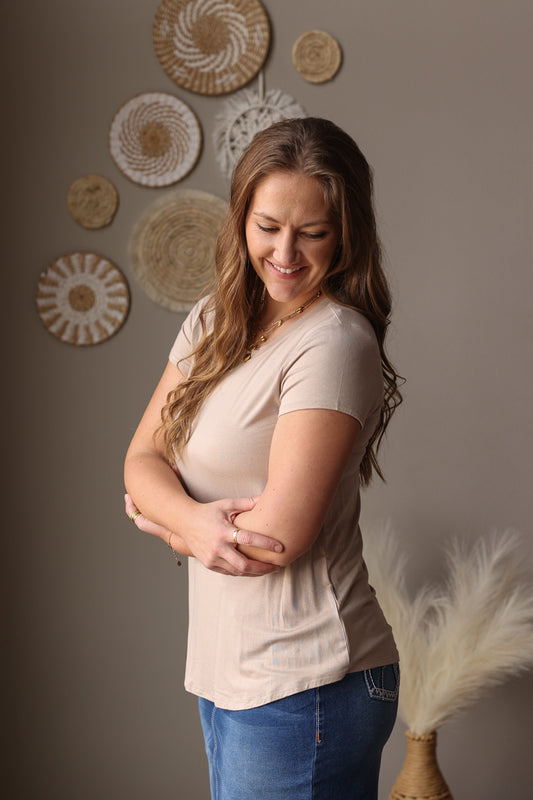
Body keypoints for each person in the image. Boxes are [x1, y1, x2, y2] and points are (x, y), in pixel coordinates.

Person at [124, 117, 403, 800]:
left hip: (307, 681)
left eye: (313, 232)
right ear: (240, 218)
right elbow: (138, 458)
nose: (285, 252)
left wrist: (166, 520)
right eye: (267, 225)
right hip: (231, 672)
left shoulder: (333, 342)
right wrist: (191, 523)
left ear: (346, 234)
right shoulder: (214, 319)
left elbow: (273, 538)